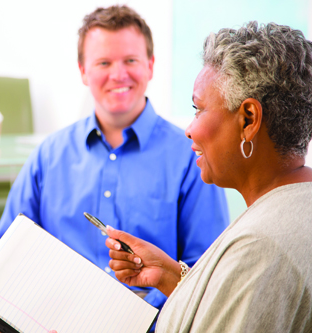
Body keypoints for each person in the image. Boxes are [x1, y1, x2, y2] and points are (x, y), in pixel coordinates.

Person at [0, 4, 229, 314]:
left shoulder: (192, 157)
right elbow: (5, 256)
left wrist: (138, 314)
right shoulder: (48, 156)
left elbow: (207, 269)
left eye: (130, 60)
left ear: (150, 66)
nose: (119, 74)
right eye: (103, 62)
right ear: (82, 71)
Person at [106, 21, 312, 332]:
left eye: (198, 109)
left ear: (249, 119)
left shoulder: (260, 249)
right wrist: (172, 276)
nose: (190, 128)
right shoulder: (297, 208)